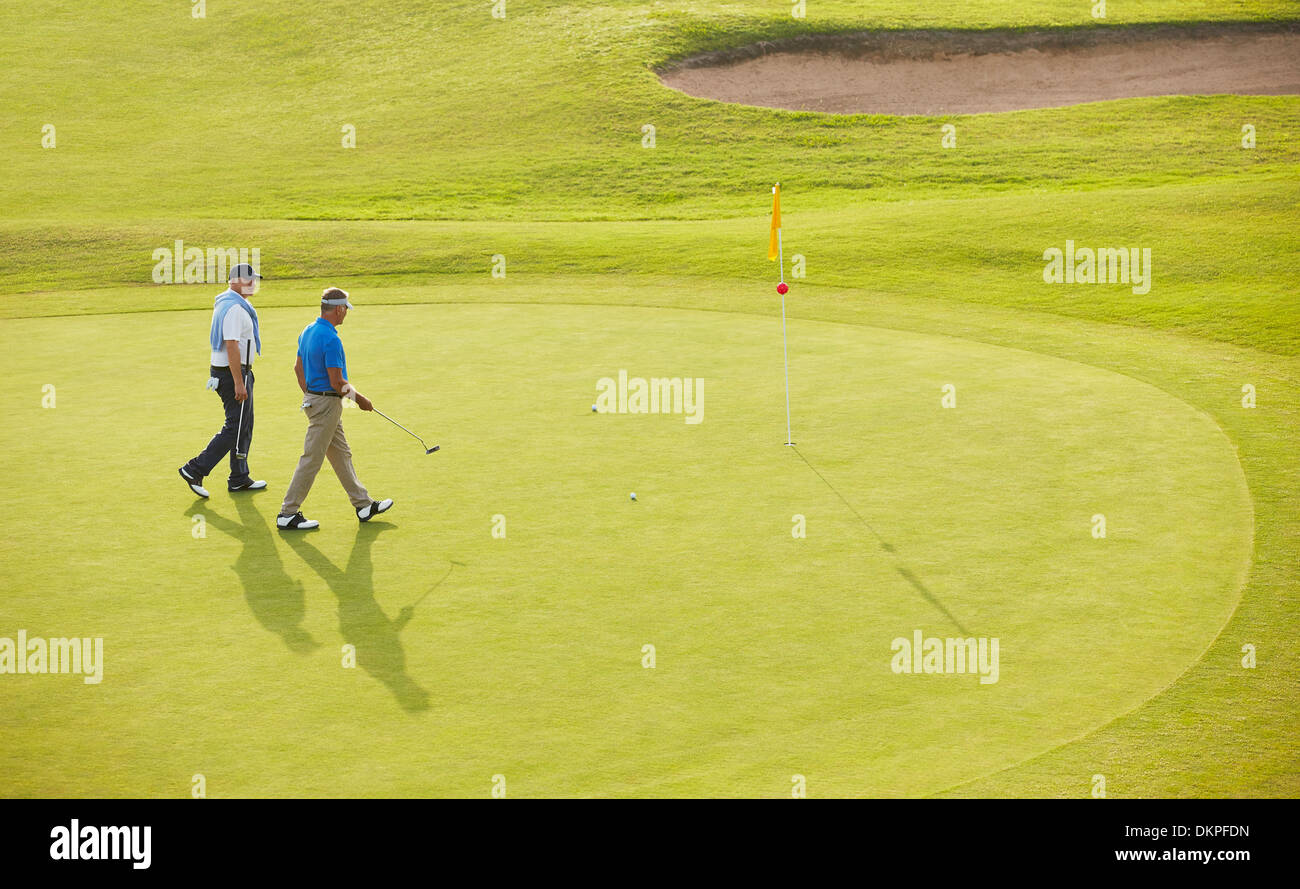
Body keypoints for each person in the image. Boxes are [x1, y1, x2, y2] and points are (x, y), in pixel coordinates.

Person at [276, 287, 392, 530]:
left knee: (341, 454)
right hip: (326, 404)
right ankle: (287, 513)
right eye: (345, 310)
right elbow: (337, 383)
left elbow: (298, 369)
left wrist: (310, 394)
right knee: (312, 459)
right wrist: (361, 400)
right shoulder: (331, 338)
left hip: (317, 401)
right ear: (338, 309)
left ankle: (363, 505)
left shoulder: (308, 330)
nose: (345, 314)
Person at [178, 264, 267, 497]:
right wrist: (239, 382)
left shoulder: (233, 302)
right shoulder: (234, 308)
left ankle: (239, 477)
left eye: (254, 280)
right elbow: (231, 345)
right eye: (248, 280)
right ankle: (194, 468)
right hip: (232, 374)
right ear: (234, 280)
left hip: (235, 372)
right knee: (235, 426)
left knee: (244, 426)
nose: (253, 284)